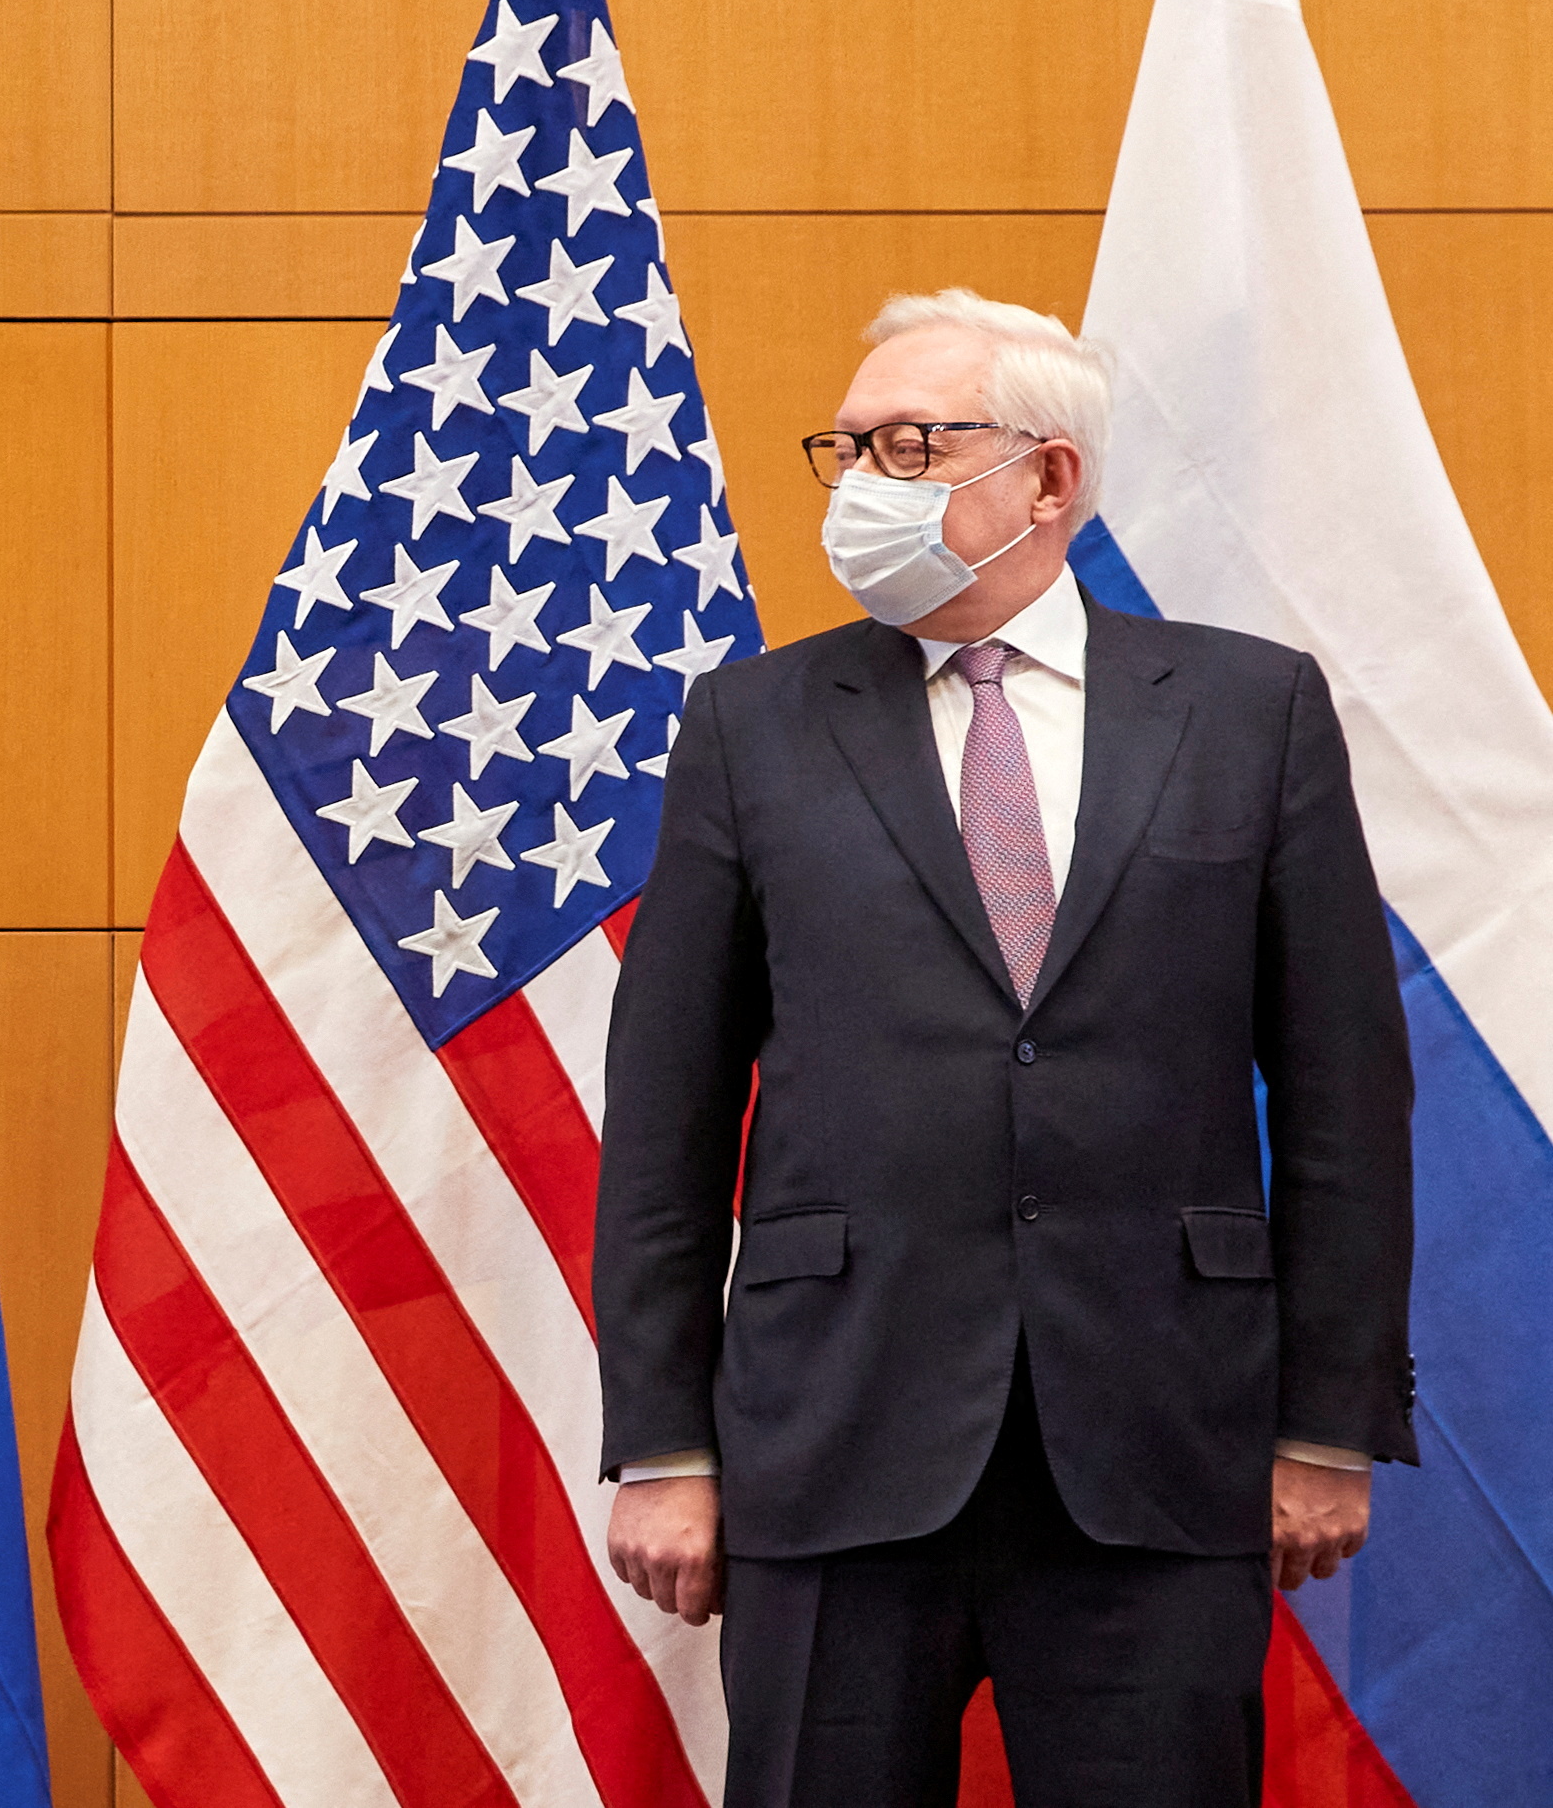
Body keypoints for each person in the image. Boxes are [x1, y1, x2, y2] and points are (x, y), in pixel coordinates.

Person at [594, 293, 1414, 1806]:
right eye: (845, 449)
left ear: (1051, 477)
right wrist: (661, 1441)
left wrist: (1327, 1422)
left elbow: (1346, 1098)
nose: (864, 484)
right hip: (834, 1441)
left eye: (911, 444)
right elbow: (665, 1110)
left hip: (1159, 1445)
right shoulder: (751, 723)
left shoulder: (1251, 711)